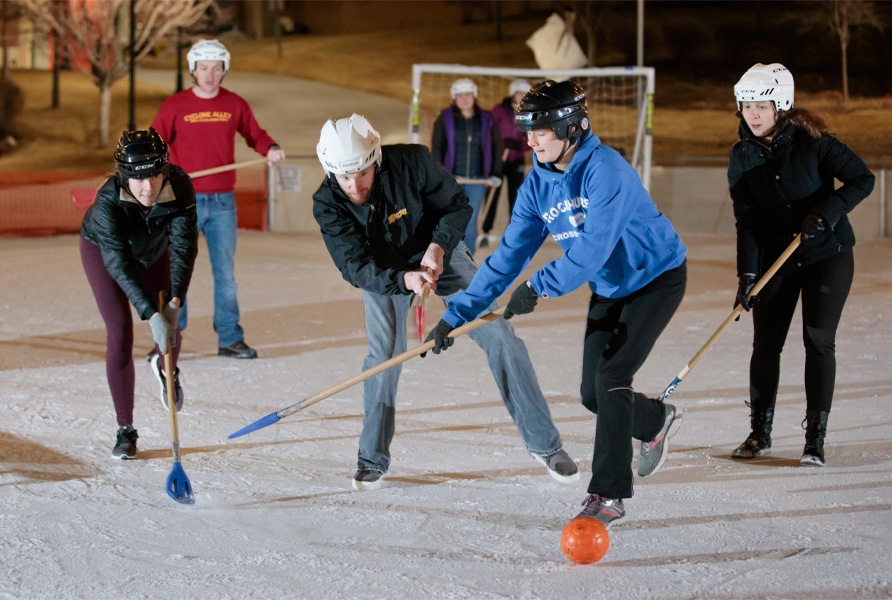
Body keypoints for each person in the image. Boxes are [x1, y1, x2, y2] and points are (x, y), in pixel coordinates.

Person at [426, 80, 688, 526]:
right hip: (609, 287)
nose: (528, 140)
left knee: (611, 378)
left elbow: (593, 249)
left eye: (539, 132)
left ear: (571, 128)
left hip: (655, 278)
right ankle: (654, 420)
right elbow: (507, 258)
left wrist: (540, 286)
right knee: (594, 395)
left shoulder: (608, 171)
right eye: (527, 131)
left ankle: (608, 494)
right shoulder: (535, 185)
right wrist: (457, 314)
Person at [312, 113, 579, 491]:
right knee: (384, 357)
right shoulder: (327, 203)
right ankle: (372, 456)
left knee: (498, 334)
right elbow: (353, 265)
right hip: (384, 272)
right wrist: (403, 278)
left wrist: (438, 248)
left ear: (376, 160)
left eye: (362, 173)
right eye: (343, 177)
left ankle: (546, 444)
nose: (354, 185)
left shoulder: (414, 162)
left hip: (441, 254)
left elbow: (456, 205)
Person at [728, 63, 874, 467]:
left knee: (817, 340)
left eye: (760, 105)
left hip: (827, 255)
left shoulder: (815, 143)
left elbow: (863, 179)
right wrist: (748, 275)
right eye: (746, 106)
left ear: (781, 104)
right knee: (765, 345)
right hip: (779, 258)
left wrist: (824, 213)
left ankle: (815, 439)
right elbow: (748, 223)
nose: (752, 114)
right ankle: (759, 433)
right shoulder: (742, 156)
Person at [151, 38, 285, 360]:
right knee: (176, 274)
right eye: (203, 68)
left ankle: (230, 338)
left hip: (223, 203)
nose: (209, 74)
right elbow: (156, 143)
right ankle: (169, 340)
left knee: (225, 275)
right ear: (193, 70)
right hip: (183, 203)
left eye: (216, 68)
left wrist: (270, 148)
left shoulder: (234, 104)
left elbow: (255, 134)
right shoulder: (174, 106)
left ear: (224, 70)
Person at [80, 128, 198, 459]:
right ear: (125, 176)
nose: (148, 187)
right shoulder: (107, 201)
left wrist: (175, 302)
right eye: (139, 179)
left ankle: (167, 370)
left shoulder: (179, 185)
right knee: (119, 332)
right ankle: (125, 429)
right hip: (103, 253)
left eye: (156, 176)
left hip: (154, 250)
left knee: (172, 330)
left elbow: (184, 246)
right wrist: (150, 313)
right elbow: (117, 263)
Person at [430, 78, 503, 253]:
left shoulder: (486, 119)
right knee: (450, 219)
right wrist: (438, 175)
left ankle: (468, 257)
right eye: (460, 95)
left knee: (470, 222)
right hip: (452, 180)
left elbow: (496, 147)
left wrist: (496, 173)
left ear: (474, 96)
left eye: (468, 94)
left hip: (478, 180)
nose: (464, 99)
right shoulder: (444, 119)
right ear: (454, 98)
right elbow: (437, 148)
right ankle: (449, 256)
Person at [478, 79, 533, 249]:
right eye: (518, 93)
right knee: (493, 193)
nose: (520, 96)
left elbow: (531, 137)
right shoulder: (499, 110)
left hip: (516, 159)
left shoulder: (529, 113)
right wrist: (500, 144)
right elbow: (489, 131)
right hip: (498, 159)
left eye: (524, 94)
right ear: (512, 93)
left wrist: (520, 145)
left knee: (515, 196)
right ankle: (484, 230)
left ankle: (513, 233)